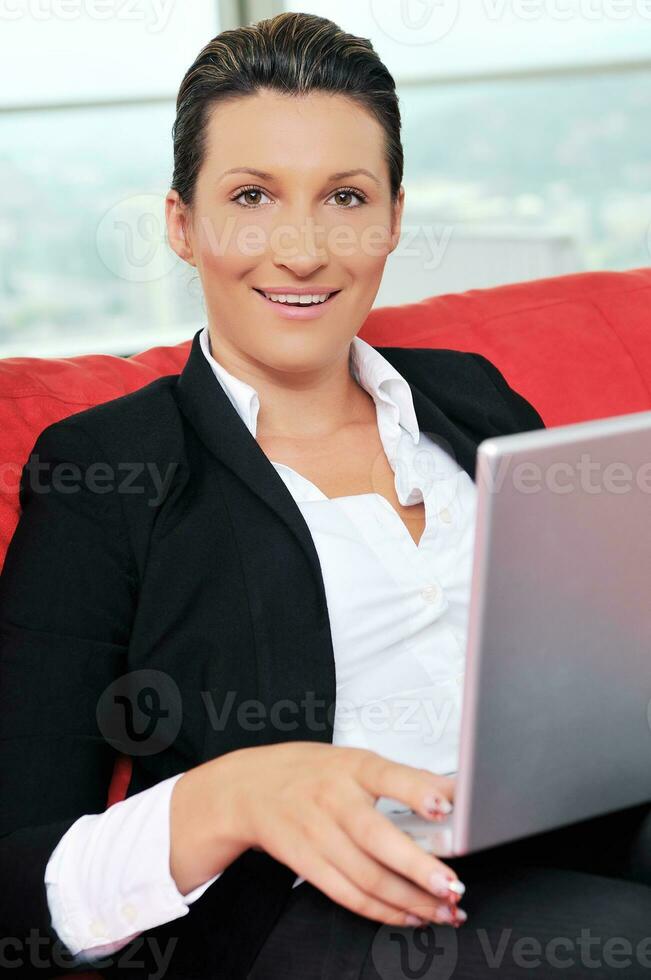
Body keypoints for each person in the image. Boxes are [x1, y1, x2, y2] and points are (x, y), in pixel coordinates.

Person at [0, 11, 649, 980]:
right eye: (253, 195)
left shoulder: (474, 395)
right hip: (311, 912)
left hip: (580, 818)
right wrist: (238, 794)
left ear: (391, 217)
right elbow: (20, 871)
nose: (302, 248)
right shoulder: (103, 470)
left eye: (345, 197)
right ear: (182, 224)